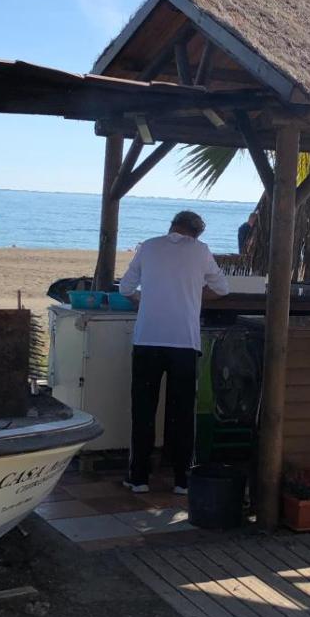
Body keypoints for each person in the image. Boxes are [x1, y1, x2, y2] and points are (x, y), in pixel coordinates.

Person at [117, 210, 230, 494]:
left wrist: (141, 299)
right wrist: (194, 294)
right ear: (196, 233)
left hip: (148, 339)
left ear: (172, 226)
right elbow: (222, 288)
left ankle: (138, 478)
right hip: (184, 342)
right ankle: (182, 479)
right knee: (182, 414)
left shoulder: (148, 246)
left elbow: (125, 288)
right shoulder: (201, 251)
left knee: (143, 410)